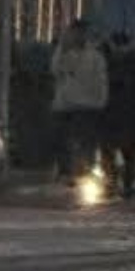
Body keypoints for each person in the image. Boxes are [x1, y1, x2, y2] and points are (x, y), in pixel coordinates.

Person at [51, 20, 109, 182]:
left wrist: (101, 102)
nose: (76, 36)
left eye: (80, 33)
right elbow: (55, 70)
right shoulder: (64, 53)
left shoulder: (95, 57)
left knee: (84, 140)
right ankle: (65, 171)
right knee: (62, 140)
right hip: (64, 105)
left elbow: (101, 81)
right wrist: (62, 49)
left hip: (87, 106)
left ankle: (83, 168)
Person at [104, 33, 135, 198]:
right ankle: (123, 184)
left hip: (118, 115)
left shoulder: (110, 63)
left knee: (116, 152)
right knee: (127, 153)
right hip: (126, 115)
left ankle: (116, 183)